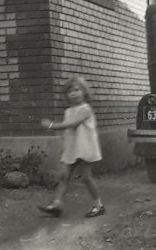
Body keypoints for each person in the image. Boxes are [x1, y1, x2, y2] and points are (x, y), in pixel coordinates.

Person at [37, 75, 105, 218]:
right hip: (72, 147)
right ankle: (56, 204)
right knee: (64, 176)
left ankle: (99, 206)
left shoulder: (86, 109)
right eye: (70, 91)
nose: (73, 94)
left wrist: (52, 125)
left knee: (86, 177)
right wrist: (65, 148)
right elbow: (69, 132)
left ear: (84, 91)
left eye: (76, 90)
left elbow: (72, 124)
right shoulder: (68, 111)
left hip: (85, 147)